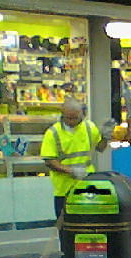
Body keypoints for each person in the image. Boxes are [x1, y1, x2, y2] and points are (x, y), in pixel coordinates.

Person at [40, 96, 108, 236]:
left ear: (82, 115)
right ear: (62, 115)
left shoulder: (89, 127)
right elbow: (49, 160)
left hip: (87, 186)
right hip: (64, 189)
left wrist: (106, 137)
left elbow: (100, 148)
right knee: (67, 229)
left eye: (75, 118)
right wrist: (70, 171)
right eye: (68, 118)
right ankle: (67, 255)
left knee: (89, 227)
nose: (72, 122)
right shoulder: (53, 133)